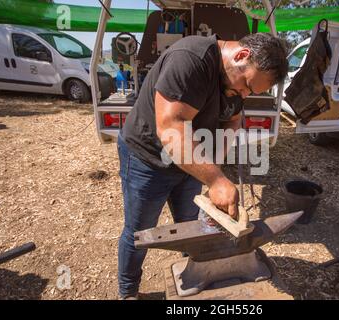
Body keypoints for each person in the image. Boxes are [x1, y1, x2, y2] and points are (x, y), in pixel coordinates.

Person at [117, 33, 288, 299]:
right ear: (241, 56)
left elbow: (232, 120)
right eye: (246, 85)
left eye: (250, 92)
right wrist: (217, 180)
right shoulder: (190, 60)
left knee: (191, 227)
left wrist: (212, 168)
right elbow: (172, 129)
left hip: (191, 160)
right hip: (148, 158)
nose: (244, 94)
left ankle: (193, 274)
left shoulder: (239, 80)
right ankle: (127, 291)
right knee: (139, 231)